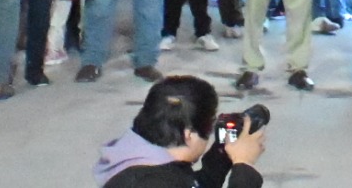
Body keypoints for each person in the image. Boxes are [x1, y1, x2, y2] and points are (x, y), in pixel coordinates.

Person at [95, 73, 267, 188]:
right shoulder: (151, 182)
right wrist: (244, 165)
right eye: (209, 126)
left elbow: (193, 184)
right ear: (188, 134)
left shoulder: (141, 158)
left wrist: (222, 151)